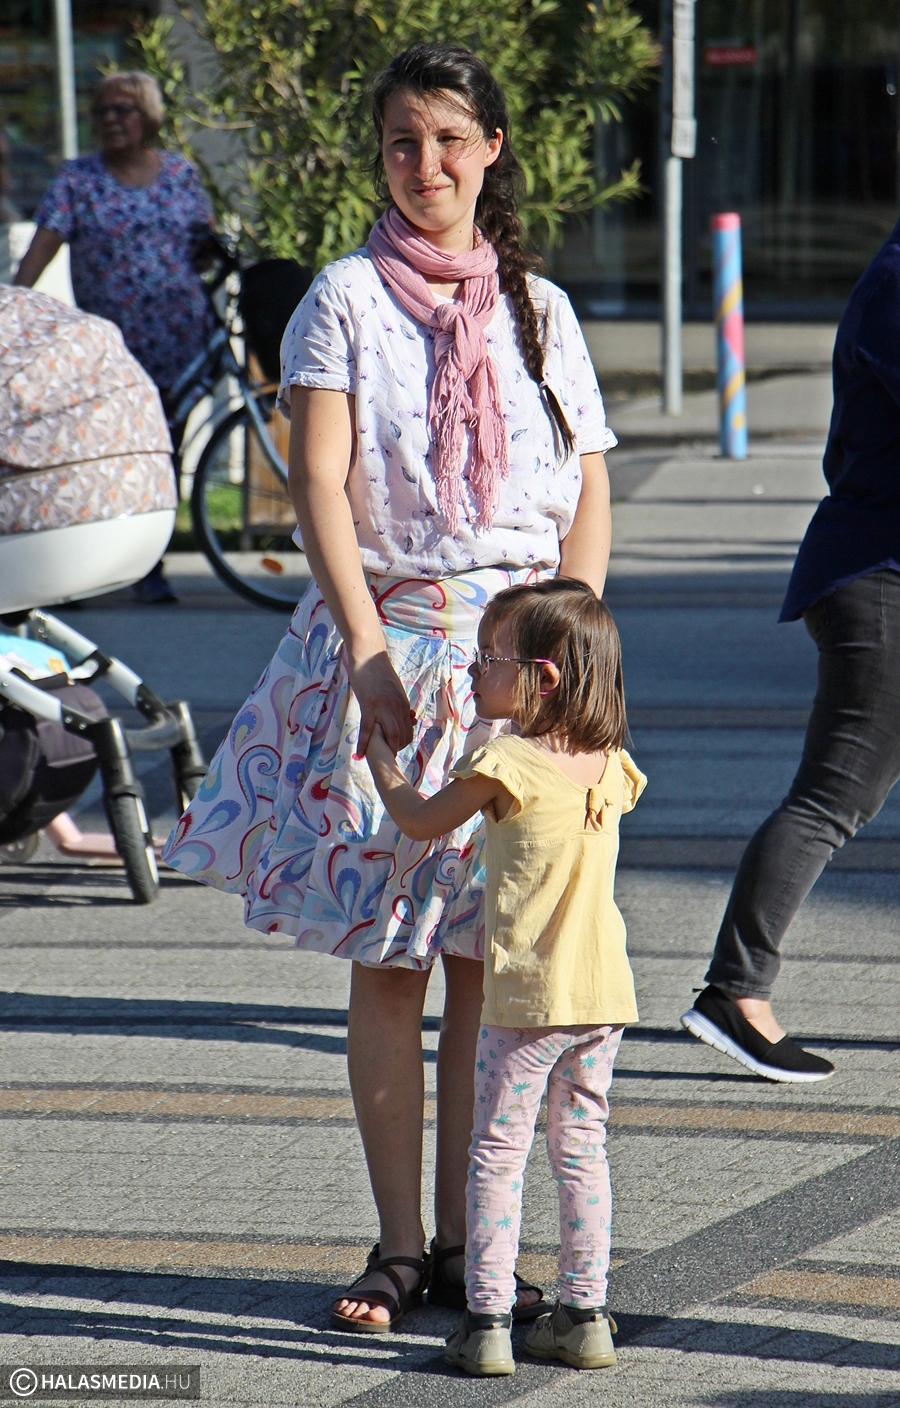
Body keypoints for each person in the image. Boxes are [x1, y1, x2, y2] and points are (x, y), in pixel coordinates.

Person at [161, 43, 616, 1331]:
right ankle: (401, 1246)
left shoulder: (543, 309)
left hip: (519, 671)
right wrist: (366, 653)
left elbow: (587, 488)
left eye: (451, 139)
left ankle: (479, 1245)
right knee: (389, 963)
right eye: (404, 142)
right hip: (395, 652)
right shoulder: (345, 297)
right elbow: (317, 481)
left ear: (492, 150)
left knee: (490, 963)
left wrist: (569, 655)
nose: (427, 164)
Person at [365, 579, 645, 1374]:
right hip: (602, 997)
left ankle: (486, 1320)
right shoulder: (611, 764)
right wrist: (498, 708)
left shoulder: (506, 763)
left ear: (542, 678)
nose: (473, 671)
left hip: (526, 999)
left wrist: (381, 760)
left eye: (489, 658)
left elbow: (419, 820)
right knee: (581, 1148)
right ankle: (584, 1315)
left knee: (496, 1151)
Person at [681, 221, 900, 1084]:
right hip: (879, 579)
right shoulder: (896, 283)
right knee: (833, 797)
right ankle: (735, 991)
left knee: (835, 796)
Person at [13, 71, 215, 604]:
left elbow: (205, 244)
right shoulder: (77, 181)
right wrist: (12, 310)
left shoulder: (179, 174)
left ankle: (150, 564)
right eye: (101, 110)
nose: (110, 119)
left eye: (122, 109)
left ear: (147, 116)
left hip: (179, 341)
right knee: (97, 455)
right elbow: (40, 251)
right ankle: (77, 564)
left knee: (163, 452)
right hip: (112, 355)